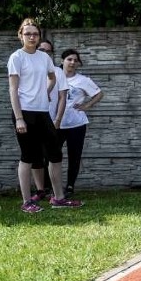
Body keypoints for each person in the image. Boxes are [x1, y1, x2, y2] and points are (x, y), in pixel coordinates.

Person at [7, 19, 82, 212]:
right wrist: (19, 118)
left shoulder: (44, 58)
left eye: (35, 34)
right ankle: (27, 202)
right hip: (24, 113)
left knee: (55, 155)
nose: (32, 37)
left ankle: (58, 198)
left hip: (42, 113)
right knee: (28, 156)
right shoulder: (16, 57)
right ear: (20, 36)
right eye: (28, 34)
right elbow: (13, 89)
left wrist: (45, 92)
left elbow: (52, 77)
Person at [57, 48, 103, 196]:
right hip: (56, 124)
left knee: (74, 156)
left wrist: (86, 106)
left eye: (75, 60)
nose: (72, 62)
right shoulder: (54, 78)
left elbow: (99, 94)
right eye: (69, 59)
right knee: (52, 156)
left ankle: (70, 186)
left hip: (76, 124)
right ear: (62, 61)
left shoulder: (83, 80)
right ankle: (51, 187)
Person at [32, 39, 69, 201]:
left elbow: (62, 97)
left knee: (53, 156)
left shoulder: (57, 72)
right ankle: (40, 190)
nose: (45, 53)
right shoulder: (29, 70)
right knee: (35, 156)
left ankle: (56, 193)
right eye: (42, 49)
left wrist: (58, 119)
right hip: (32, 118)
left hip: (51, 121)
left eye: (48, 51)